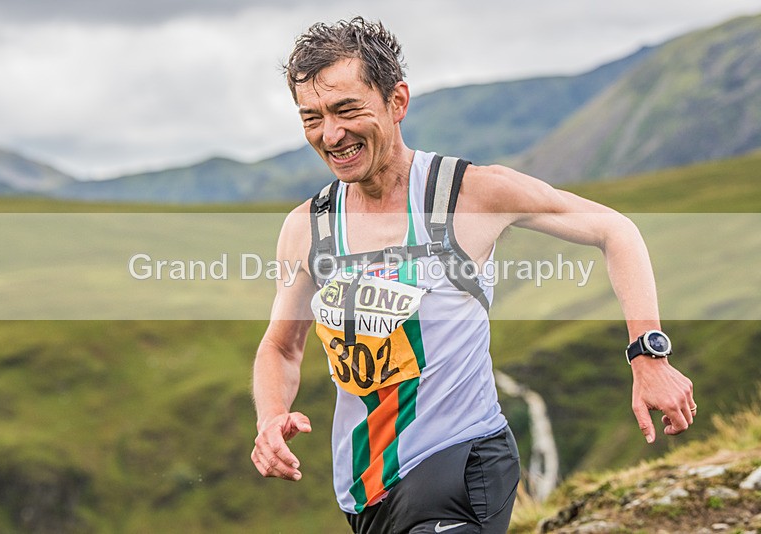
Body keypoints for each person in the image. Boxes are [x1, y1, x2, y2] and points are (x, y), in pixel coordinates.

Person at [251, 17, 696, 534]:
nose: (331, 134)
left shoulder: (469, 194)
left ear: (397, 102)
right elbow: (281, 348)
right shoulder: (308, 228)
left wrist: (648, 352)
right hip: (363, 491)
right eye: (312, 118)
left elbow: (614, 230)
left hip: (462, 462)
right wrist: (270, 416)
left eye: (348, 110)